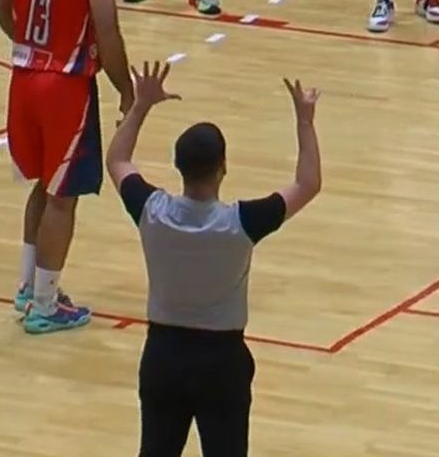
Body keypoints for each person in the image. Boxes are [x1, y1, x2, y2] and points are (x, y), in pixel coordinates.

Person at [108, 62, 322, 456]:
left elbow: (118, 161)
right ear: (223, 168)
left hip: (163, 357)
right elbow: (308, 184)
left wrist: (140, 106)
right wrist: (304, 121)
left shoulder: (151, 211)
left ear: (178, 167)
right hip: (221, 362)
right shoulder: (241, 222)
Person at [0, 0, 134, 334]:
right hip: (66, 86)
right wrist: (126, 90)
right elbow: (107, 31)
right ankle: (47, 306)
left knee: (43, 185)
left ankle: (30, 286)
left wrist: (29, 44)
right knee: (63, 196)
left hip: (24, 76)